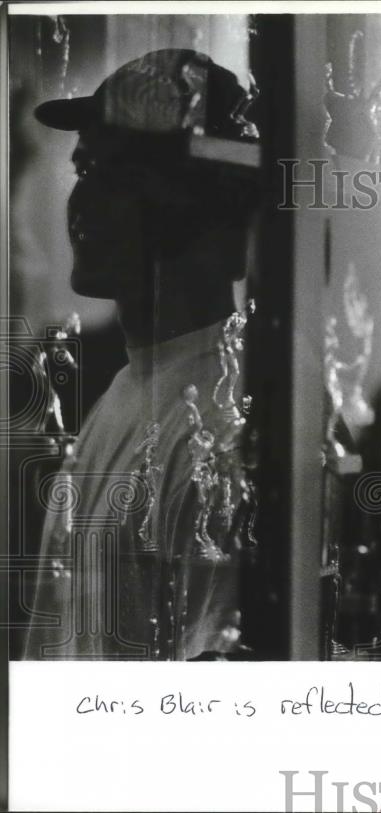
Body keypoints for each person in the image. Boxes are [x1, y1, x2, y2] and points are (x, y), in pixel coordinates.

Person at [22, 49, 260, 660]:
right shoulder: (131, 390)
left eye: (119, 173)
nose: (82, 203)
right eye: (84, 169)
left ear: (199, 201)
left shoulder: (223, 420)